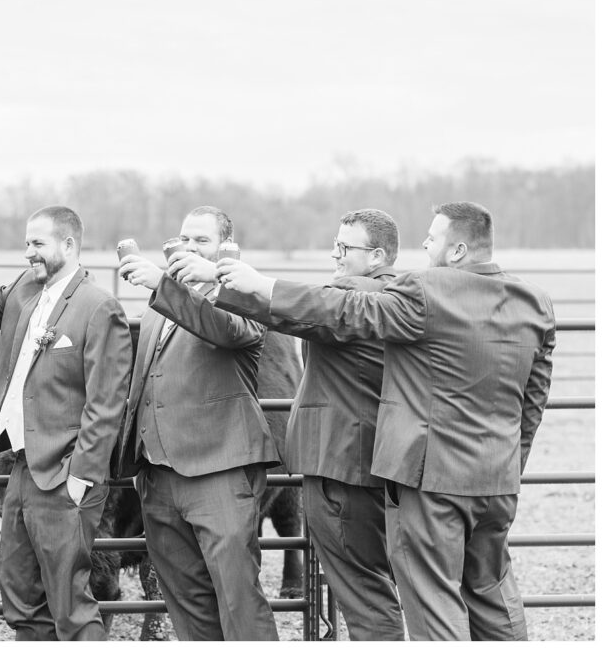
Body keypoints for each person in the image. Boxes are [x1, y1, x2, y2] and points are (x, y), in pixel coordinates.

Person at [215, 202, 556, 640]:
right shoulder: (535, 302)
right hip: (497, 479)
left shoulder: (424, 291)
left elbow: (346, 311)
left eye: (431, 239)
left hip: (433, 483)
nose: (423, 246)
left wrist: (261, 285)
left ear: (456, 251)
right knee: (492, 592)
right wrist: (508, 460)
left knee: (434, 602)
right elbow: (534, 401)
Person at [0, 205, 132, 640]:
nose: (29, 252)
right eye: (27, 242)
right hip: (22, 467)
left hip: (65, 472)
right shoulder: (27, 289)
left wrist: (81, 477)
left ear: (69, 244)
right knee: (21, 595)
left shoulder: (98, 307)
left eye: (38, 244)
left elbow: (107, 403)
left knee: (71, 605)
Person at [218, 208, 404, 640]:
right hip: (372, 462)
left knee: (364, 591)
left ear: (376, 256)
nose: (334, 255)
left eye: (344, 247)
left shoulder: (352, 298)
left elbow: (297, 308)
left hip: (344, 466)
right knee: (371, 585)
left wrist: (232, 282)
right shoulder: (398, 296)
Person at [114, 206, 283, 640]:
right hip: (159, 477)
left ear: (226, 251)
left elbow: (224, 330)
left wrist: (164, 286)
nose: (188, 248)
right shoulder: (158, 308)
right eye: (184, 240)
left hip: (220, 474)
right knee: (186, 602)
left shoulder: (242, 299)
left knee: (238, 599)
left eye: (201, 242)